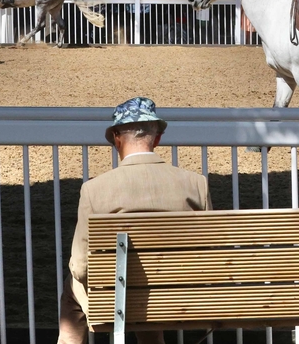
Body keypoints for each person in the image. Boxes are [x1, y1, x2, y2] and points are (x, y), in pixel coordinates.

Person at [57, 97, 211, 344]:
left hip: (116, 300)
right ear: (157, 139)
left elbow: (81, 267)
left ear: (117, 139)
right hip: (177, 301)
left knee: (72, 285)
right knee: (145, 291)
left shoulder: (94, 190)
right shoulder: (196, 184)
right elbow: (209, 257)